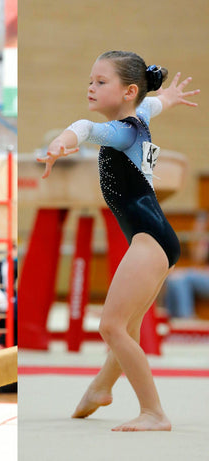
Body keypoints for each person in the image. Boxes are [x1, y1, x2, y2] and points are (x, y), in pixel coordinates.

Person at [39, 50, 199, 431]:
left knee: (110, 327)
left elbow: (87, 128)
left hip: (148, 239)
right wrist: (168, 98)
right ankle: (101, 388)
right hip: (156, 237)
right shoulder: (139, 116)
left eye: (100, 82)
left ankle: (153, 412)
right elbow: (152, 106)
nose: (91, 88)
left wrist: (65, 138)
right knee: (125, 327)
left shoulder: (123, 130)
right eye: (90, 81)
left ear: (128, 91)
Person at [162, 212, 209, 319]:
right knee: (173, 278)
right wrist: (199, 232)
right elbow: (198, 258)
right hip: (204, 274)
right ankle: (170, 320)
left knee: (182, 278)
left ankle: (185, 319)